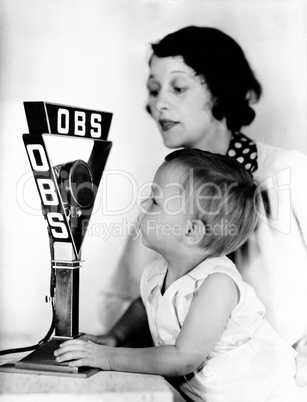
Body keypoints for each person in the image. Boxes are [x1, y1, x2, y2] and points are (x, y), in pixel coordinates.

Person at [94, 26, 307, 355]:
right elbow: (124, 299)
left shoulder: (287, 172)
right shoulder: (162, 200)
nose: (159, 102)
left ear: (221, 91)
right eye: (154, 89)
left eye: (178, 88)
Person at [55, 149, 306, 402]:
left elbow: (182, 358)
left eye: (155, 200)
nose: (143, 205)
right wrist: (115, 337)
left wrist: (107, 357)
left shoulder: (218, 284)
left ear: (191, 231)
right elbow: (146, 305)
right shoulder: (157, 272)